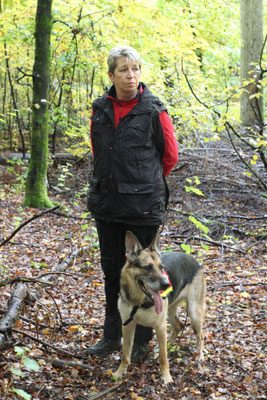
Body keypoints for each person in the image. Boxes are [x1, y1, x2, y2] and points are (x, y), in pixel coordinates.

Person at [86, 45, 178, 363]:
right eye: (124, 69)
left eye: (135, 69)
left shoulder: (155, 110)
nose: (131, 75)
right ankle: (112, 336)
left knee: (149, 277)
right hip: (107, 206)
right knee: (114, 273)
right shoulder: (100, 109)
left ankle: (141, 344)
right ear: (111, 74)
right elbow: (100, 154)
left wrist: (144, 183)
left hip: (143, 207)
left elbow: (170, 157)